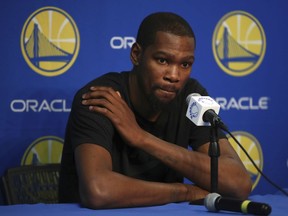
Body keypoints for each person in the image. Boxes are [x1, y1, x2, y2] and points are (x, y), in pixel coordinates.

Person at [59, 12, 252, 209]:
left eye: (185, 64)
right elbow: (98, 191)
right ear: (136, 55)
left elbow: (239, 184)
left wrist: (142, 138)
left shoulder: (191, 96)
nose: (174, 76)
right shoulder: (100, 97)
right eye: (162, 61)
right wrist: (184, 191)